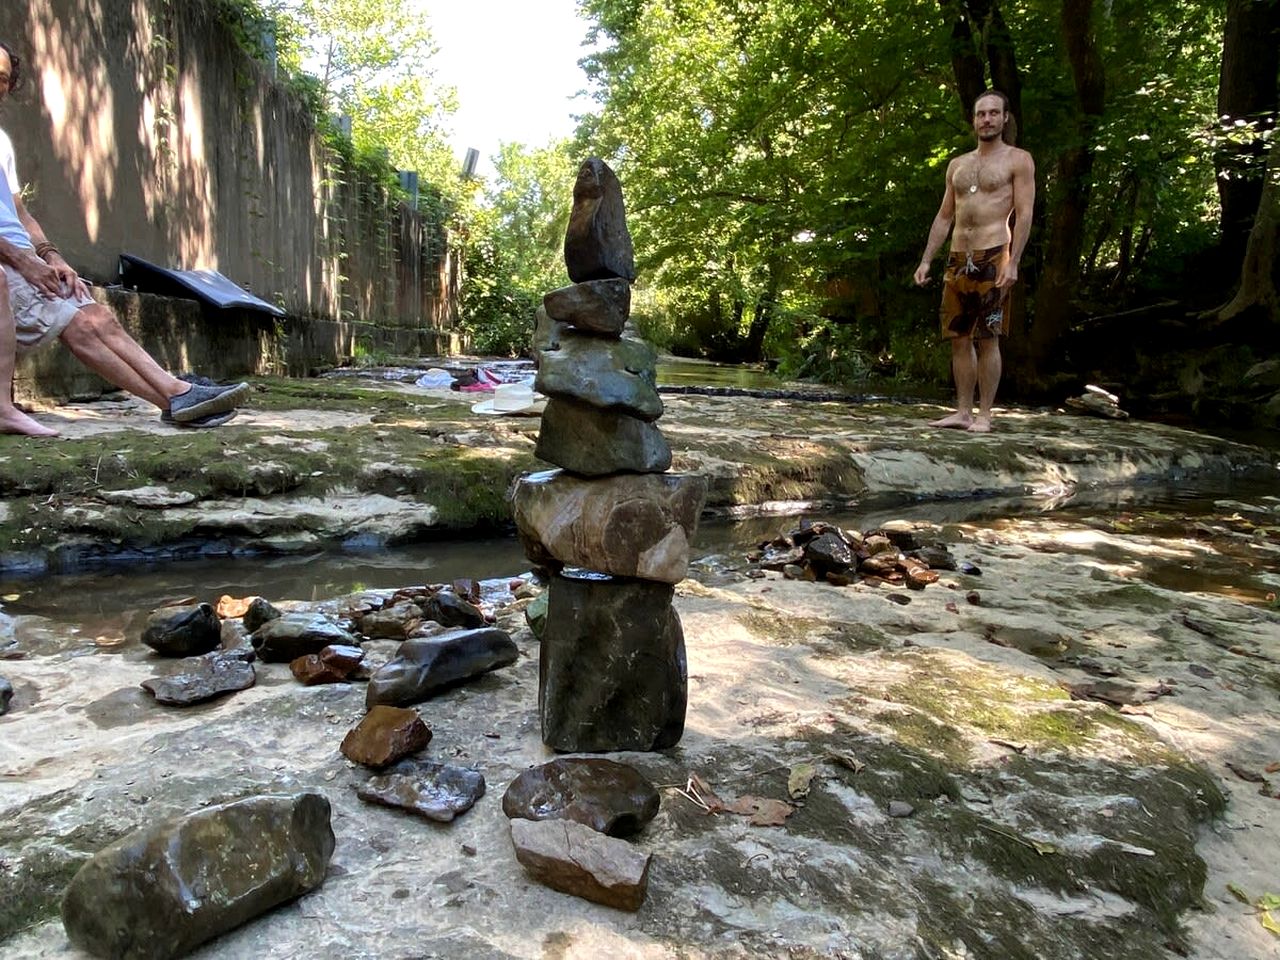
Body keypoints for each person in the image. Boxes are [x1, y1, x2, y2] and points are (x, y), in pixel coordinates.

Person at [0, 40, 248, 437]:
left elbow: (20, 213)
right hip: (7, 260)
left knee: (98, 314)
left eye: (2, 79)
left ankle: (178, 397)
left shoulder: (2, 143)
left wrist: (52, 256)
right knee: (78, 326)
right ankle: (176, 395)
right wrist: (22, 261)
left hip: (24, 255)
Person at [913, 89, 1035, 433]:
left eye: (994, 113)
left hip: (994, 253)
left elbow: (1025, 213)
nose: (987, 119)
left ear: (1005, 118)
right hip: (957, 258)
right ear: (974, 120)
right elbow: (944, 216)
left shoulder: (1018, 160)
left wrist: (1014, 262)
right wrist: (926, 260)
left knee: (988, 336)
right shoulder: (958, 165)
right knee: (958, 337)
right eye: (981, 114)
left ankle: (984, 416)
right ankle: (962, 412)